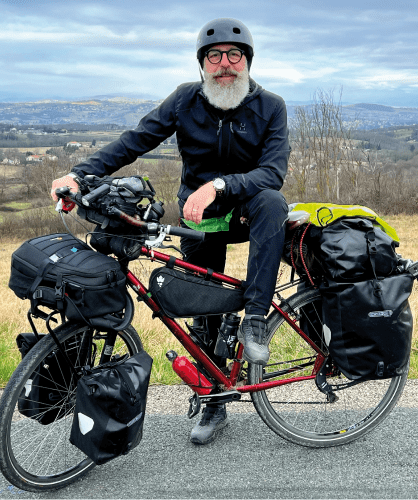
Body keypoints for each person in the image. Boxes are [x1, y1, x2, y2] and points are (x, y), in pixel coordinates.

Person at [51, 18, 290, 445]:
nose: (225, 65)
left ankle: (254, 319)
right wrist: (79, 175)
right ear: (202, 64)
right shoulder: (185, 100)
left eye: (235, 56)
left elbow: (272, 172)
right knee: (205, 305)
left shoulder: (270, 106)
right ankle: (215, 400)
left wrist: (219, 185)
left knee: (273, 202)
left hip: (249, 211)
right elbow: (134, 141)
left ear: (248, 62)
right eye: (214, 56)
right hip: (201, 220)